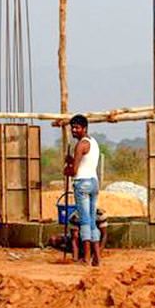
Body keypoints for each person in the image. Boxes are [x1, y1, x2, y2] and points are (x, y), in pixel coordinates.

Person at [64, 114, 101, 266]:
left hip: (82, 183)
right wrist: (71, 161)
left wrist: (67, 169)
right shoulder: (93, 142)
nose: (74, 130)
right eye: (72, 127)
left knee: (85, 220)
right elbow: (85, 163)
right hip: (93, 182)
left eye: (77, 128)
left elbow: (75, 171)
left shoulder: (80, 145)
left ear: (84, 128)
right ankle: (97, 257)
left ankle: (86, 258)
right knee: (92, 220)